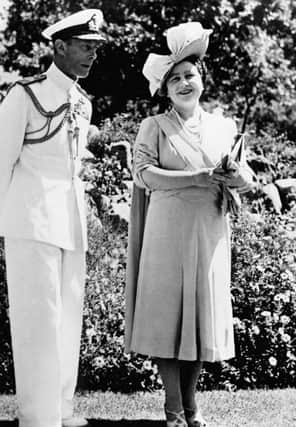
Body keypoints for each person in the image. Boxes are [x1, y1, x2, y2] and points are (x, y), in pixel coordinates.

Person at [124, 22, 255, 427]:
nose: (184, 83)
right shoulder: (154, 126)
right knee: (168, 315)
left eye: (190, 76)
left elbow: (247, 180)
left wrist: (231, 173)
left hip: (209, 229)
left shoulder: (225, 127)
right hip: (167, 228)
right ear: (165, 90)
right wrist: (195, 178)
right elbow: (143, 174)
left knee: (198, 318)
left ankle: (192, 406)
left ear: (202, 80)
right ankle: (172, 407)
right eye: (175, 79)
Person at [0, 9, 106, 427]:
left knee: (68, 316)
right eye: (85, 48)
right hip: (31, 220)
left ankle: (62, 409)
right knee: (38, 318)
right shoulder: (25, 95)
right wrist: (18, 213)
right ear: (59, 47)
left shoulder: (81, 101)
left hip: (69, 219)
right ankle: (38, 416)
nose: (92, 56)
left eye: (95, 49)